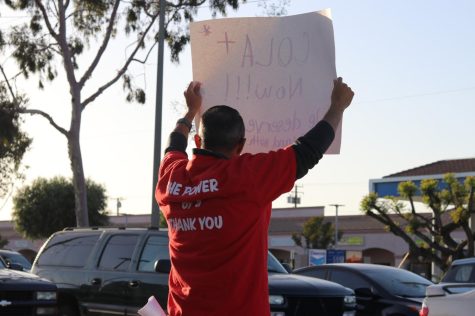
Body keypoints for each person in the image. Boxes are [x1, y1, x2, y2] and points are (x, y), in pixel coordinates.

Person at [155, 77, 354, 316]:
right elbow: (307, 151)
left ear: (198, 140)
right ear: (241, 146)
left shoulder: (171, 180)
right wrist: (337, 107)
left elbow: (173, 146)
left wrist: (190, 112)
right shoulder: (247, 177)